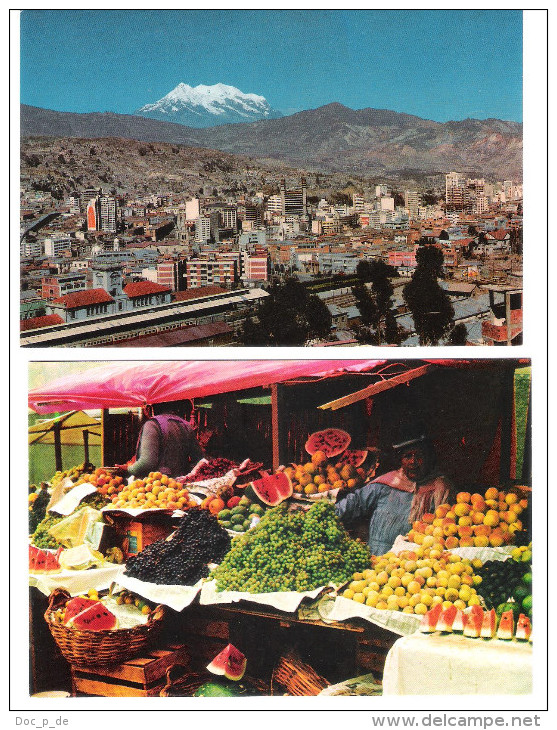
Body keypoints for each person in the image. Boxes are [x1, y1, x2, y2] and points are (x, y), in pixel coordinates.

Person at [335, 430, 451, 556]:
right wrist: (328, 514)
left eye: (419, 456)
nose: (413, 461)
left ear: (428, 458)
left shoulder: (441, 490)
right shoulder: (386, 484)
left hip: (412, 564)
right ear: (401, 460)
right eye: (408, 456)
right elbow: (356, 501)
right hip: (376, 559)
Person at [122, 400, 205, 479]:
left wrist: (128, 469)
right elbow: (199, 459)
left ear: (151, 407)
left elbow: (146, 463)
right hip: (180, 486)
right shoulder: (186, 426)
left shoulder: (152, 425)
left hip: (158, 488)